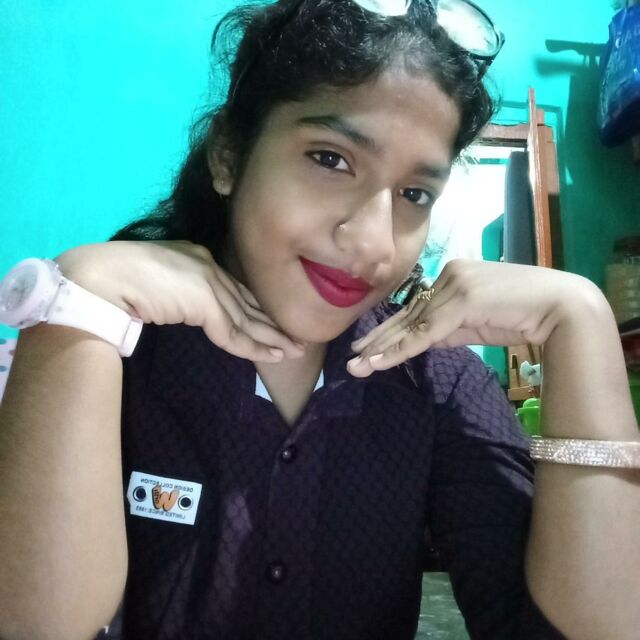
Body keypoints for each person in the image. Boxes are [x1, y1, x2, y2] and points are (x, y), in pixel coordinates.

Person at [0, 1, 638, 639]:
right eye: (331, 159)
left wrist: (580, 318)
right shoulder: (114, 351)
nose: (373, 243)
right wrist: (75, 300)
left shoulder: (438, 385)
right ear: (228, 154)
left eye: (414, 194)